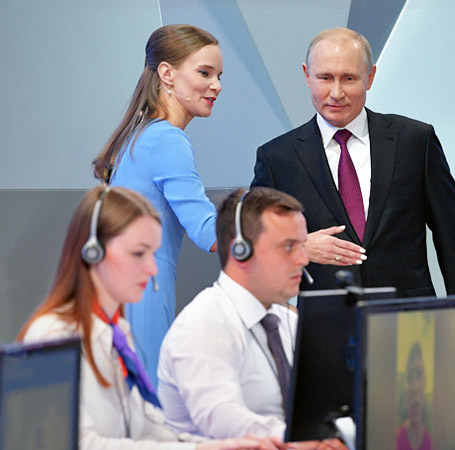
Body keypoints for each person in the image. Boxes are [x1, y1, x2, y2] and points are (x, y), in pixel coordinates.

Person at [17, 186, 281, 450]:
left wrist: (225, 446)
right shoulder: (52, 335)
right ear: (93, 252)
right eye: (138, 253)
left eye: (152, 253)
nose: (152, 269)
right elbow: (79, 444)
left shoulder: (115, 334)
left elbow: (148, 429)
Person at [251, 27, 455, 302]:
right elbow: (252, 247)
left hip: (410, 317)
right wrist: (297, 247)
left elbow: (453, 240)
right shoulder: (278, 158)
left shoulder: (415, 141)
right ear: (307, 75)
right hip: (325, 320)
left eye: (348, 78)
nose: (336, 93)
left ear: (370, 77)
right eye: (325, 78)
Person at [157, 188, 345, 450]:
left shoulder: (286, 322)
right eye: (288, 247)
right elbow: (222, 419)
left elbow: (324, 404)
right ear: (241, 251)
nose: (303, 259)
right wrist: (304, 441)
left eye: (302, 246)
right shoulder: (204, 324)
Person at [92, 24, 223, 384]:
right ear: (167, 73)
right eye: (204, 73)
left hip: (124, 293)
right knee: (149, 402)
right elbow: (209, 232)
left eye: (218, 76)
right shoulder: (167, 139)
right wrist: (292, 243)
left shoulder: (141, 135)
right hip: (146, 293)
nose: (216, 85)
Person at [396, 342, 432, 450]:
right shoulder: (396, 438)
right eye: (410, 378)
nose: (414, 387)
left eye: (419, 375)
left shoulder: (431, 440)